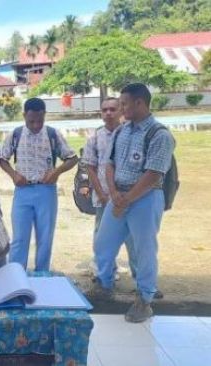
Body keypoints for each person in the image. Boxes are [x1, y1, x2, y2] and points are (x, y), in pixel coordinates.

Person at [92, 83, 175, 323]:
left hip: (146, 199)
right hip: (118, 197)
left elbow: (154, 174)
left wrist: (126, 199)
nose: (121, 108)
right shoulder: (121, 131)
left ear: (140, 103)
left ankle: (145, 299)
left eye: (125, 103)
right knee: (103, 244)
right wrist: (115, 193)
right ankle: (104, 285)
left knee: (144, 249)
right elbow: (109, 164)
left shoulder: (159, 134)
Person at [0, 97, 77, 271]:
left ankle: (42, 274)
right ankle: (16, 275)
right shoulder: (16, 134)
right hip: (23, 191)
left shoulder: (52, 134)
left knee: (45, 237)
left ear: (45, 116)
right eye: (31, 121)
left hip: (46, 191)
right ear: (24, 115)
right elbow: (2, 159)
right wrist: (13, 175)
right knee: (20, 237)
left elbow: (72, 158)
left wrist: (56, 172)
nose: (35, 125)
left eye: (40, 121)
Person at [82, 98, 138, 280]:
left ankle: (139, 277)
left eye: (112, 109)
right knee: (103, 238)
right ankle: (103, 274)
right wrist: (101, 194)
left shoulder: (132, 134)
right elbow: (90, 166)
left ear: (121, 110)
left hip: (130, 197)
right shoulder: (95, 137)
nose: (108, 113)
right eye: (104, 110)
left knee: (134, 239)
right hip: (104, 198)